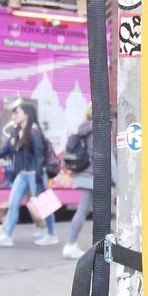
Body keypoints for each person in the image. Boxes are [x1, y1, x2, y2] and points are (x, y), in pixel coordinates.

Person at [0, 101, 58, 248]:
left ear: (26, 115)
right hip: (23, 174)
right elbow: (9, 147)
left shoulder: (34, 132)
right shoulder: (19, 131)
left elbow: (39, 155)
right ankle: (7, 236)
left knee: (44, 205)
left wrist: (38, 175)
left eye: (18, 112)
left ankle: (51, 234)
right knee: (13, 203)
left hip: (35, 174)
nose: (15, 115)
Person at [62, 105, 94, 259]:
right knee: (83, 210)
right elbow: (104, 156)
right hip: (92, 175)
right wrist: (116, 180)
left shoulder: (84, 128)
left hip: (83, 174)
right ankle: (70, 244)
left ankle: (116, 243)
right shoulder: (97, 130)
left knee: (99, 211)